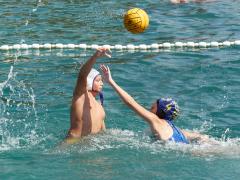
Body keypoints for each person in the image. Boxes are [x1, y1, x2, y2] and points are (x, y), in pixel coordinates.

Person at [100, 64, 209, 144]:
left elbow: (130, 103)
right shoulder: (177, 130)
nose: (149, 109)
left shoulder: (155, 120)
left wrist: (111, 82)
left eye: (152, 107)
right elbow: (202, 137)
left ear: (160, 111)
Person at [65, 48, 111, 144]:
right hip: (72, 143)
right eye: (98, 80)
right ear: (89, 82)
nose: (102, 83)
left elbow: (103, 131)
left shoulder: (99, 105)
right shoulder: (81, 96)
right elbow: (82, 75)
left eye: (102, 80)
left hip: (91, 143)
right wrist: (95, 57)